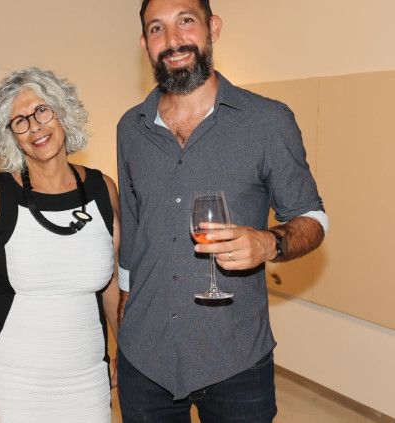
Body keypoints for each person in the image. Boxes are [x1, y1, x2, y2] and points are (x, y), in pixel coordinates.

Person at [116, 0, 328, 421]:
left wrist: (271, 242)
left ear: (213, 28)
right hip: (145, 356)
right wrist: (124, 318)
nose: (173, 39)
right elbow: (133, 230)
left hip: (237, 360)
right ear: (144, 44)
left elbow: (314, 219)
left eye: (186, 21)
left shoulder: (267, 121)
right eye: (157, 28)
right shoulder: (130, 128)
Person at [0, 67, 121, 423]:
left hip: (88, 382)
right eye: (20, 121)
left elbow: (112, 283)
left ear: (62, 112)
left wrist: (127, 349)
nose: (35, 127)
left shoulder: (103, 190)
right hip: (12, 384)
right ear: (10, 135)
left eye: (42, 110)